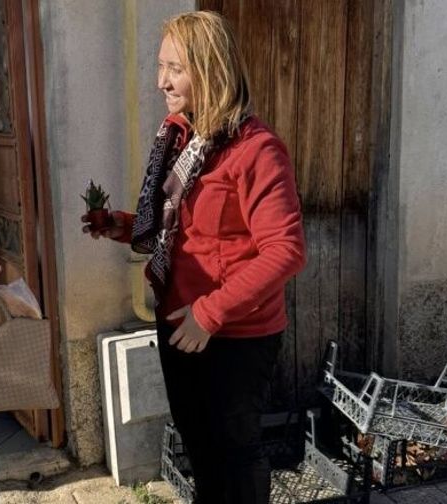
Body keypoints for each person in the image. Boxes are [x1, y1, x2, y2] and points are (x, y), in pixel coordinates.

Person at [83, 11, 306, 504]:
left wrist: (210, 313)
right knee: (201, 451)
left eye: (175, 68)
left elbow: (286, 250)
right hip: (179, 323)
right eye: (160, 66)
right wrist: (124, 225)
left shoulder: (257, 150)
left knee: (234, 454)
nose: (161, 82)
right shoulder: (182, 139)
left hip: (233, 335)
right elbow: (183, 229)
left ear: (210, 70)